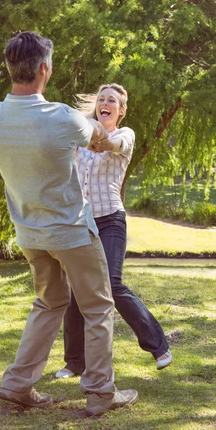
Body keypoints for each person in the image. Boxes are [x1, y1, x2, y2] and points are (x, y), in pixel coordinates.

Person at [0, 31, 138, 417]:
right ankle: (101, 392)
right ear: (44, 69)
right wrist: (104, 135)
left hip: (30, 233)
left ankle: (18, 384)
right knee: (99, 307)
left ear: (9, 67)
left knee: (49, 301)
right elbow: (99, 138)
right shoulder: (62, 117)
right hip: (70, 231)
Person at [55, 83, 172, 380]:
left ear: (120, 111)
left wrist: (96, 140)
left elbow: (113, 146)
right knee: (74, 292)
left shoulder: (124, 134)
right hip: (81, 221)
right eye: (101, 99)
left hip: (110, 220)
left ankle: (158, 347)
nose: (104, 103)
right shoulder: (78, 136)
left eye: (112, 101)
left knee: (112, 282)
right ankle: (74, 363)